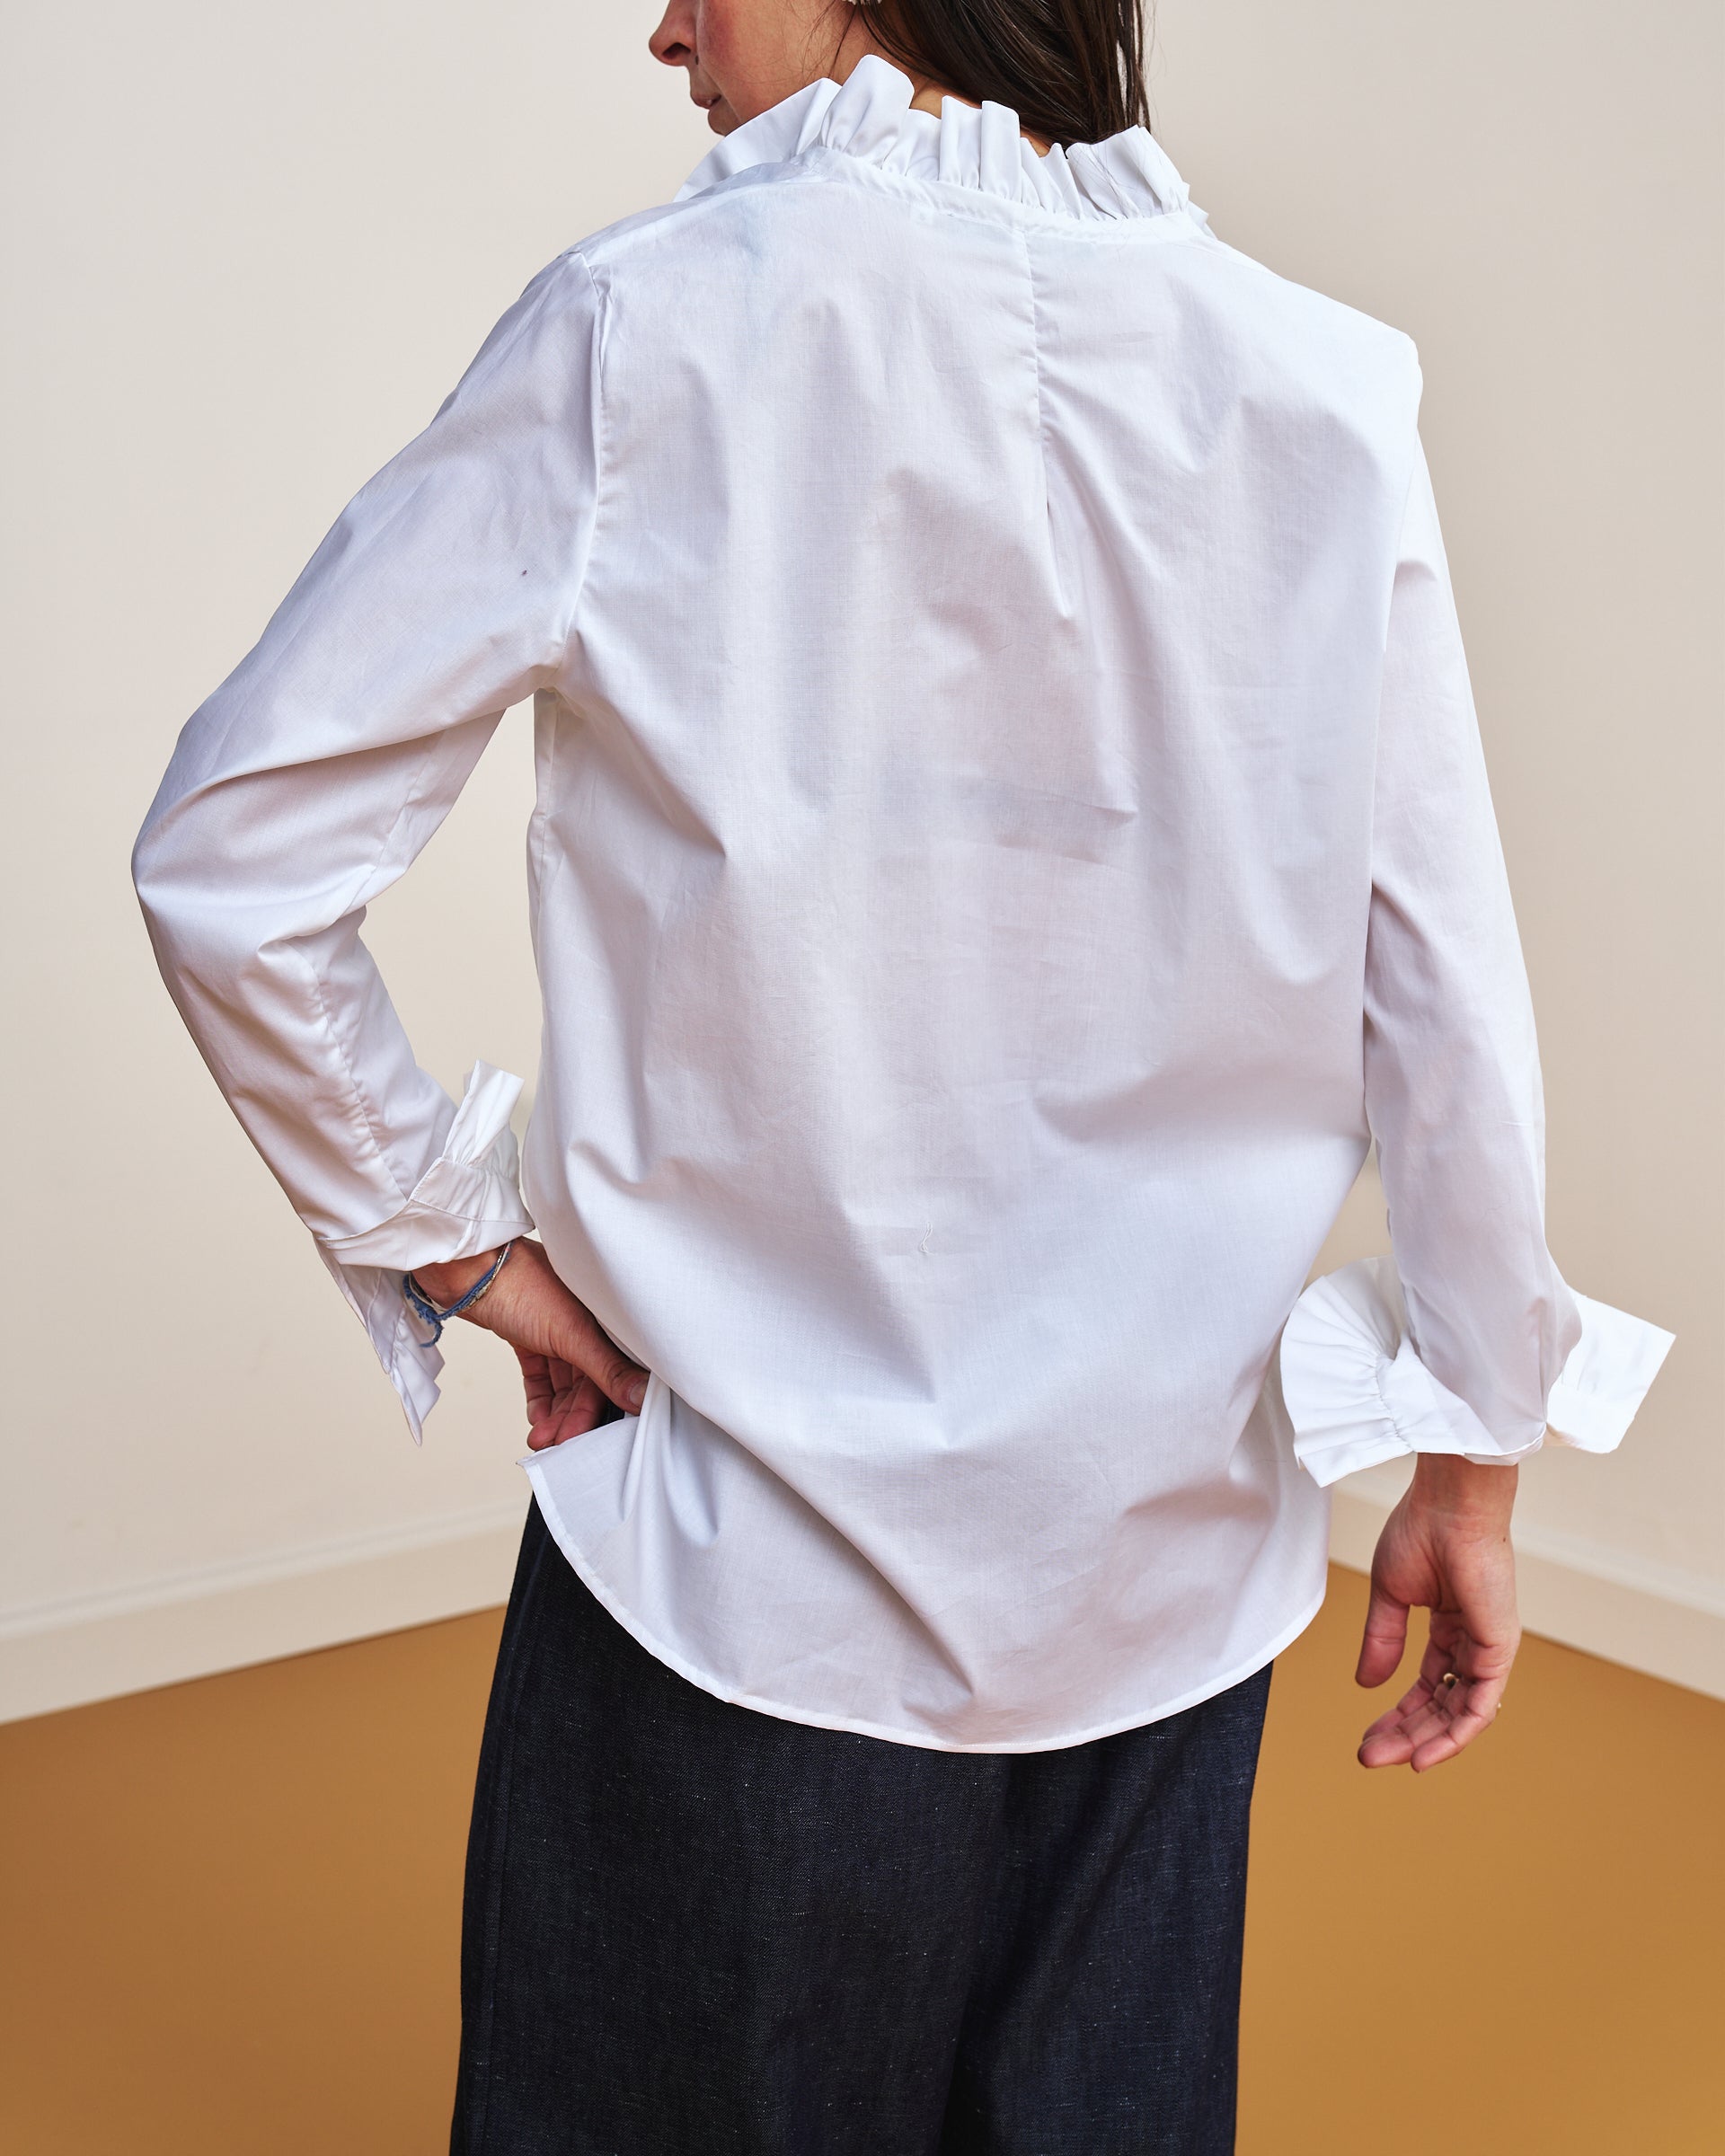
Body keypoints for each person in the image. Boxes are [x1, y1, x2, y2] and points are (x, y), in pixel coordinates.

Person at [132, 3, 1676, 2149]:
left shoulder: (639, 332)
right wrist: (1475, 1450)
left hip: (734, 1573)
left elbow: (233, 860)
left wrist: (457, 1244)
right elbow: (1441, 988)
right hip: (1165, 1586)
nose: (665, 26)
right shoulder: (1328, 385)